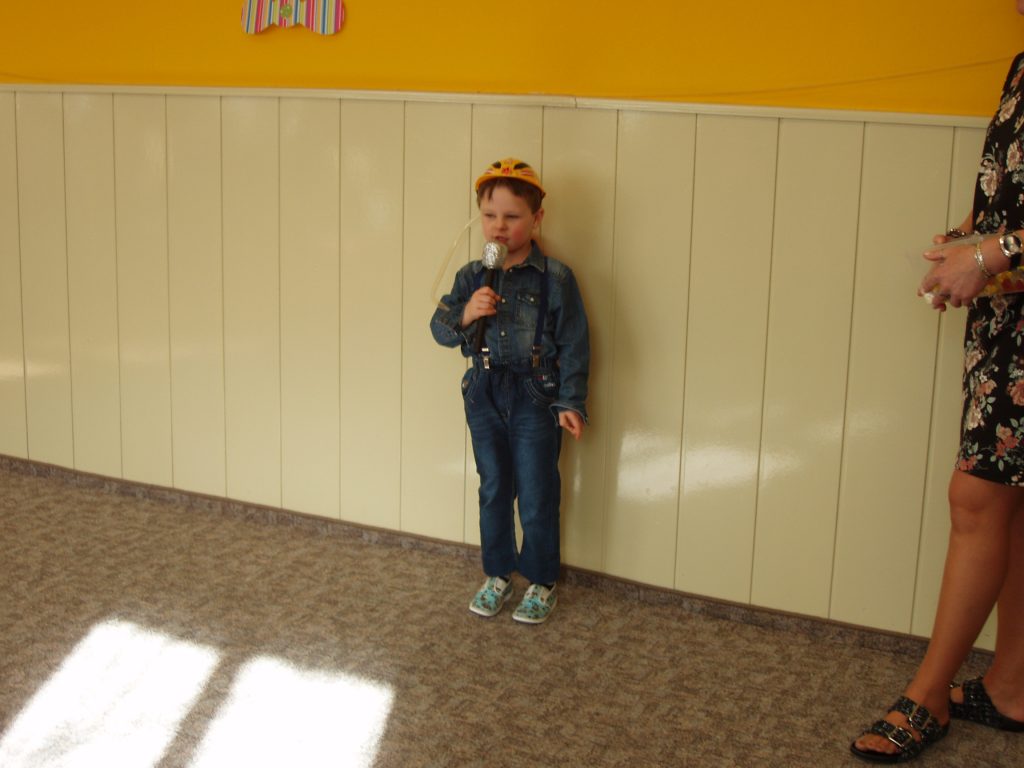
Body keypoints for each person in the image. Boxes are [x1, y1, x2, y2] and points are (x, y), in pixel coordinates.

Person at [850, 15, 1024, 762]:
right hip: (1010, 314)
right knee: (1011, 504)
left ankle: (927, 697)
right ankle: (1013, 687)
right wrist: (969, 240)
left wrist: (988, 255)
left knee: (976, 498)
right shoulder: (1022, 63)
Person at [429, 158, 590, 625]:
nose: (499, 226)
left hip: (535, 394)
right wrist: (467, 313)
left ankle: (541, 579)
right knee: (494, 486)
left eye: (512, 216)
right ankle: (497, 573)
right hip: (484, 391)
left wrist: (570, 402)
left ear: (537, 218)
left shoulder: (555, 278)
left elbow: (574, 343)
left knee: (537, 490)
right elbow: (440, 329)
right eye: (489, 215)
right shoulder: (471, 276)